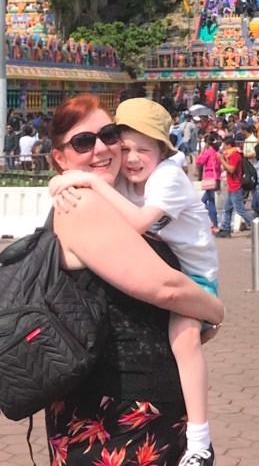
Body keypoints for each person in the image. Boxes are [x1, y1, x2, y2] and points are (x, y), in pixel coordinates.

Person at [45, 94, 223, 466]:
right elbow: (166, 289)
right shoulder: (84, 201)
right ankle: (201, 442)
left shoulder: (121, 189)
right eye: (83, 142)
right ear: (60, 157)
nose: (102, 149)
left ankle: (199, 440)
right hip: (116, 414)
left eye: (107, 135)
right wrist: (215, 310)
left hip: (132, 406)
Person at [216, 134, 254, 237]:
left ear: (229, 145)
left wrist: (222, 160)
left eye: (224, 145)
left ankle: (255, 225)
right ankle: (225, 229)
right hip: (231, 186)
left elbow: (231, 169)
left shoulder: (235, 155)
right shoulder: (230, 154)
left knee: (240, 210)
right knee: (226, 209)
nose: (223, 147)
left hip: (235, 186)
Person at [196, 132, 222, 233]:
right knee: (206, 200)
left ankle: (214, 224)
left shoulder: (208, 152)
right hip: (216, 177)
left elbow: (199, 161)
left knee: (209, 202)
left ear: (207, 143)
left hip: (209, 177)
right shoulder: (216, 152)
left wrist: (202, 152)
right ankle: (211, 222)